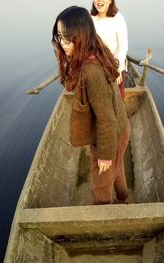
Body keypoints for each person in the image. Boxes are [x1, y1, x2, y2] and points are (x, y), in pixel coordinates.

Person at [52, 6, 131, 205]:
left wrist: (104, 156)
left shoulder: (92, 73)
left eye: (66, 37)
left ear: (80, 36)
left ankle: (105, 217)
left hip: (110, 134)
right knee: (118, 167)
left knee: (100, 186)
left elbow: (106, 119)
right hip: (121, 130)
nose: (62, 43)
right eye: (59, 36)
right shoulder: (95, 50)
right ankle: (123, 199)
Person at [90, 0, 128, 99]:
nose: (99, 1)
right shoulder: (90, 18)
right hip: (96, 66)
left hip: (114, 65)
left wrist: (118, 68)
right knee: (97, 100)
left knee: (117, 99)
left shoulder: (117, 18)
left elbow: (123, 45)